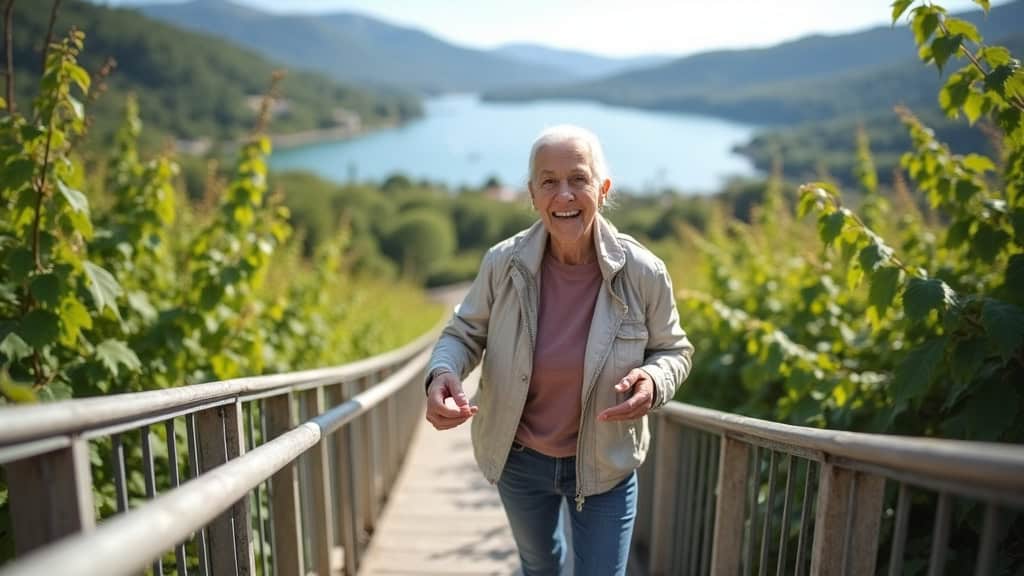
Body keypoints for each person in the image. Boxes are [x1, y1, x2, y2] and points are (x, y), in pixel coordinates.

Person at [424, 124, 694, 576]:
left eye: (579, 179)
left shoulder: (645, 272)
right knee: (540, 565)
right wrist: (442, 373)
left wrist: (654, 379)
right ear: (532, 194)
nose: (563, 194)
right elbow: (462, 333)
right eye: (549, 181)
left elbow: (674, 350)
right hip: (520, 460)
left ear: (603, 189)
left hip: (606, 464)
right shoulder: (502, 264)